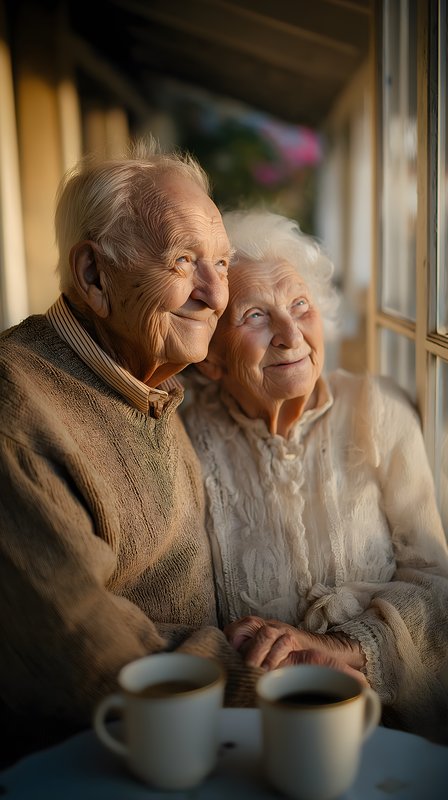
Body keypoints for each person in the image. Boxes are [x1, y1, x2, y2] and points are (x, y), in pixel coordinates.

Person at [0, 142, 262, 766]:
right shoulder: (18, 402)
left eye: (222, 263)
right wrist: (267, 689)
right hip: (92, 762)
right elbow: (81, 644)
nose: (215, 294)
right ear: (93, 275)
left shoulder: (155, 381)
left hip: (188, 741)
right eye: (184, 261)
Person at [182, 209, 448, 743]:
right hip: (250, 728)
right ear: (211, 358)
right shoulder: (186, 437)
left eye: (300, 305)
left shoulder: (378, 407)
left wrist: (342, 649)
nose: (289, 334)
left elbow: (437, 586)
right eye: (255, 315)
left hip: (386, 727)